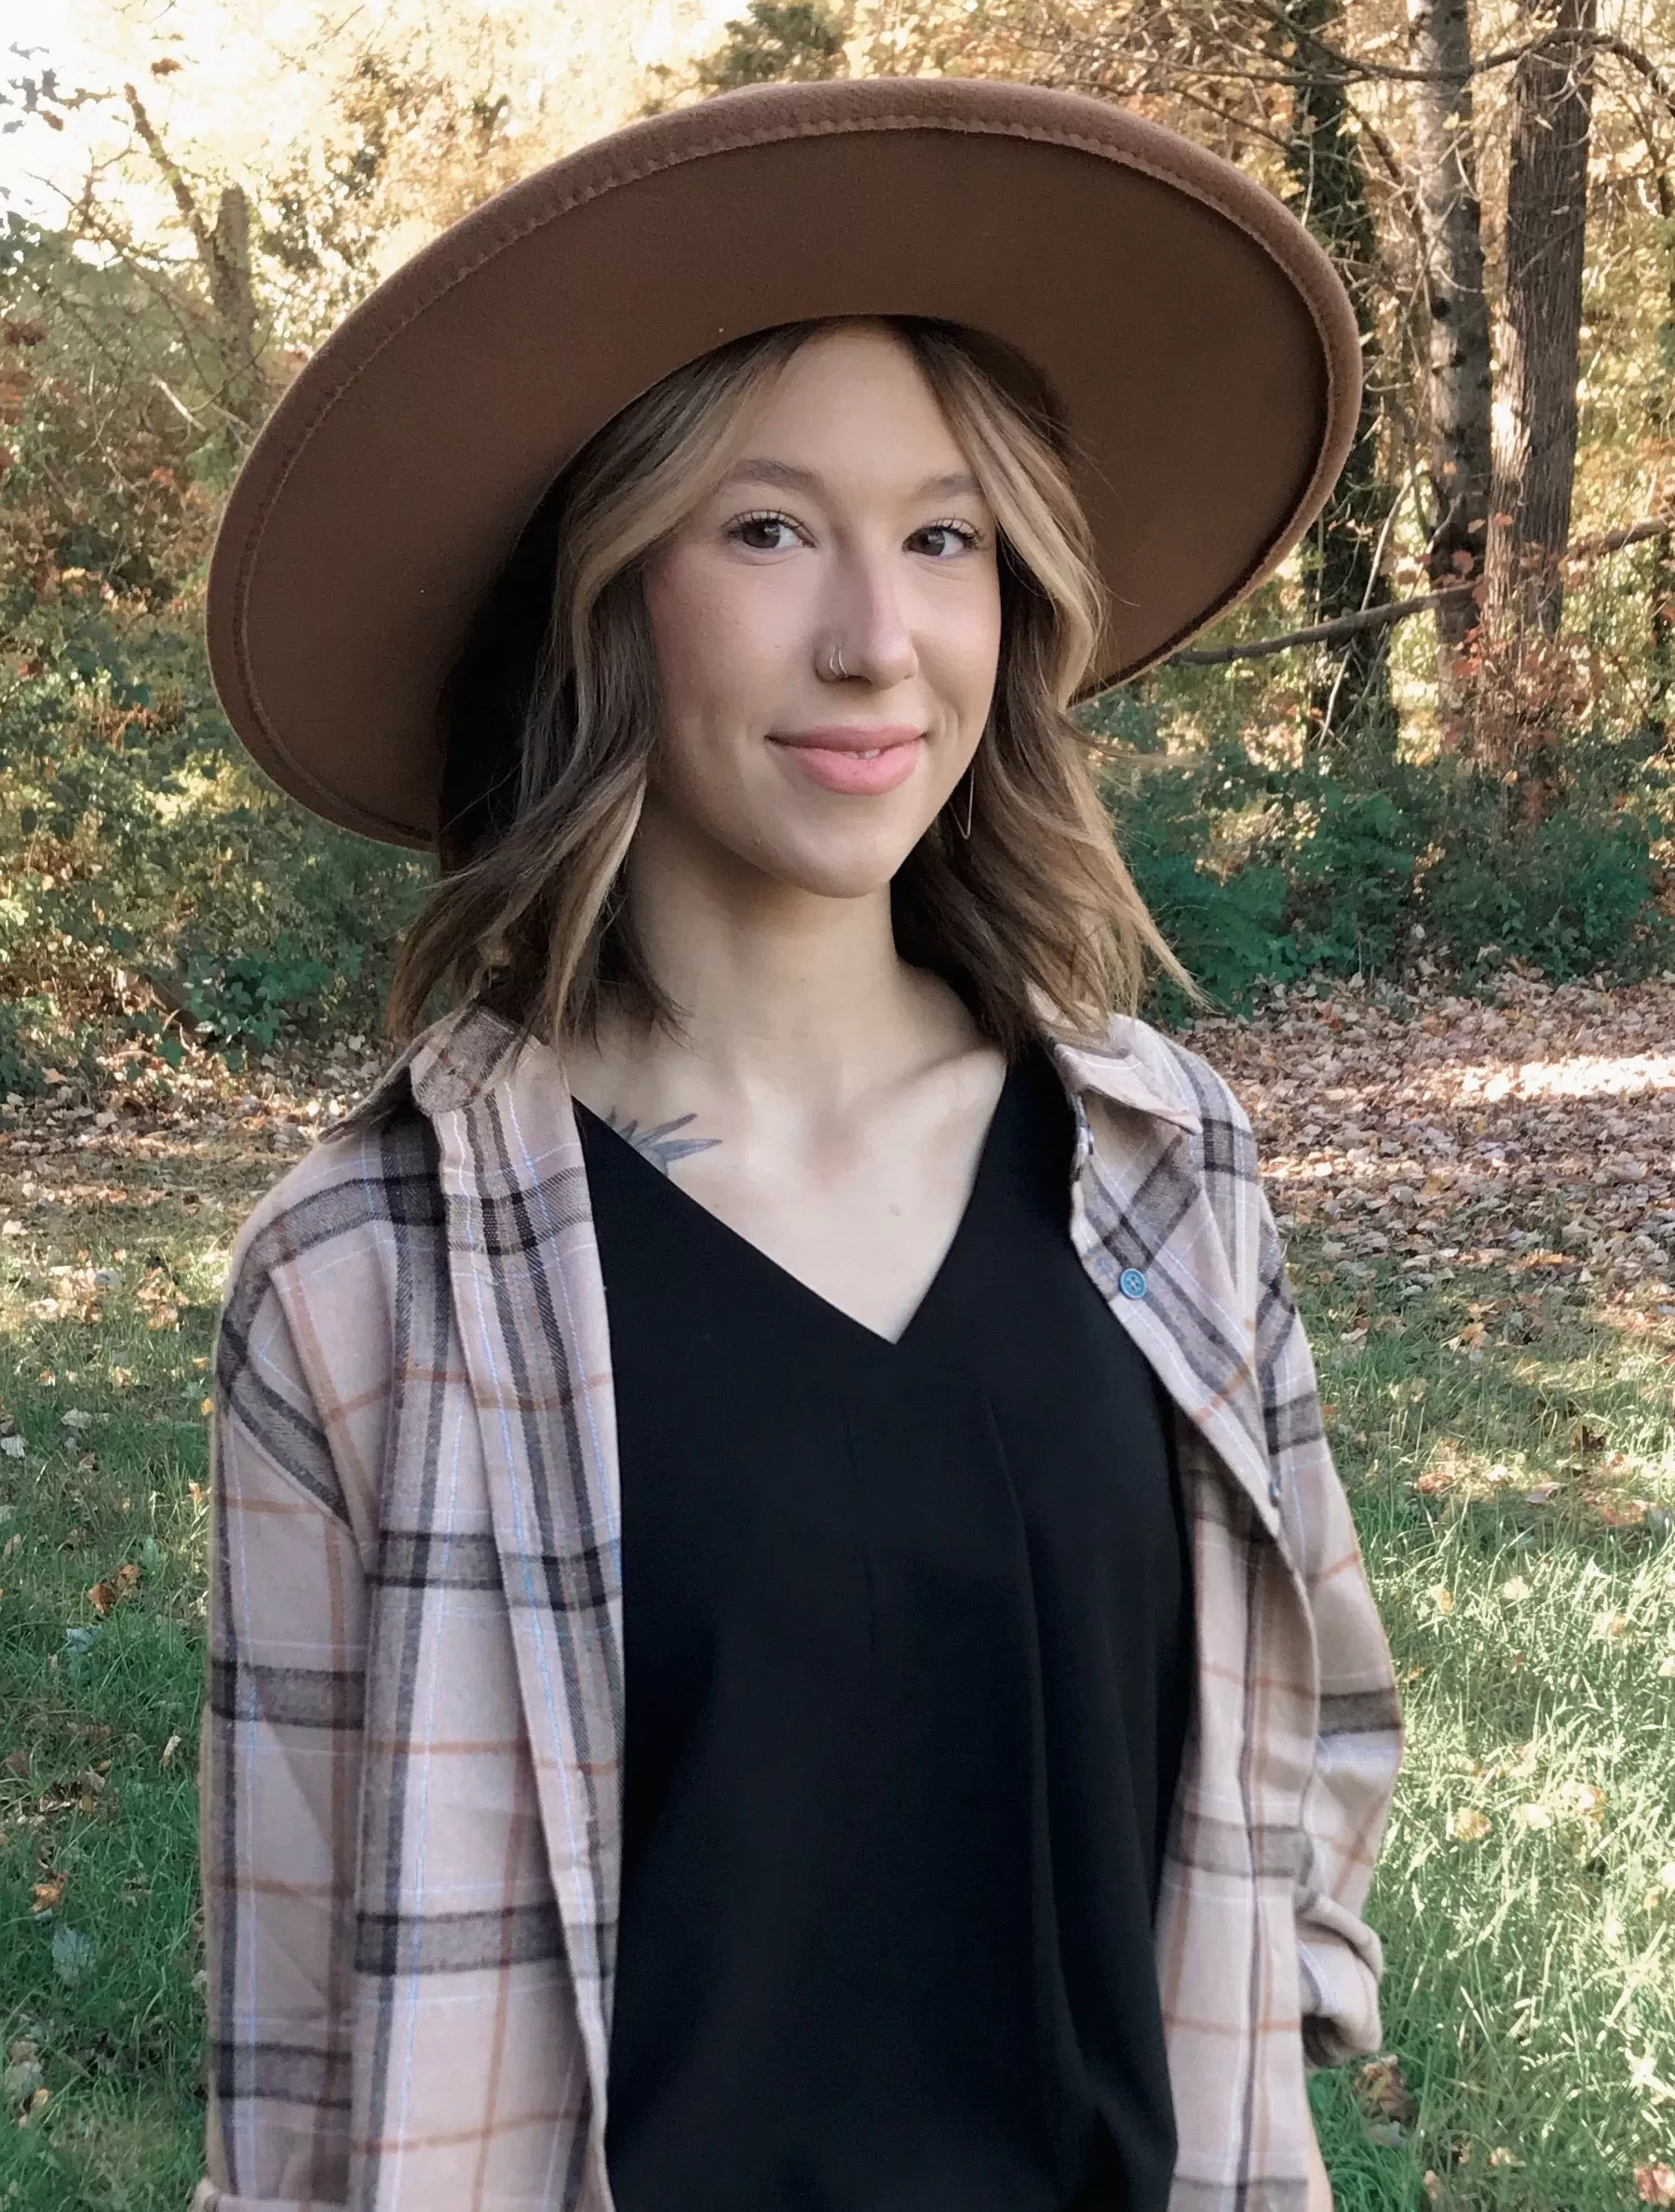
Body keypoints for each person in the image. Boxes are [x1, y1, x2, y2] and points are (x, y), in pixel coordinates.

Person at [194, 76, 1402, 2212]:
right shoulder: (367, 1277)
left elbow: (1309, 1714)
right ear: (597, 596)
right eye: (764, 530)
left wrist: (1267, 2009)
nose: (876, 637)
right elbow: (297, 2046)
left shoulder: (1161, 1165)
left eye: (941, 535)